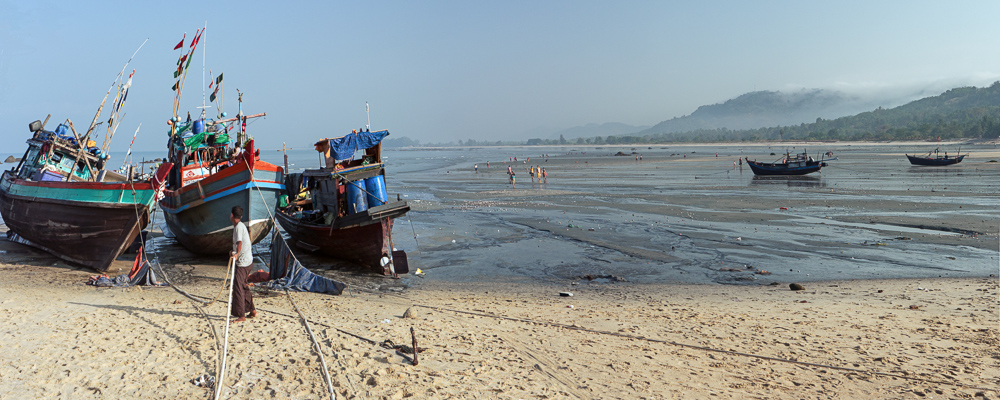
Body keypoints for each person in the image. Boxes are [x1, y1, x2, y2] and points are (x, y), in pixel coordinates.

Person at [229, 205, 256, 322]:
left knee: (238, 286)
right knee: (243, 285)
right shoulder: (239, 226)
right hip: (247, 261)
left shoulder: (238, 228)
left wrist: (236, 255)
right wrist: (233, 252)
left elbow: (239, 243)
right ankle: (252, 310)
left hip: (244, 262)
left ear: (231, 216)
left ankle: (241, 315)